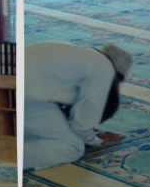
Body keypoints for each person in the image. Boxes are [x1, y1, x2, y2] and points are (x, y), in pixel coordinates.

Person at [24, 42, 132, 171]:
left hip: (9, 87)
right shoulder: (104, 68)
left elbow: (64, 102)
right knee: (72, 147)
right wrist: (95, 140)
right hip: (30, 97)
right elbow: (82, 121)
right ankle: (8, 157)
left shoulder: (84, 56)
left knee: (36, 134)